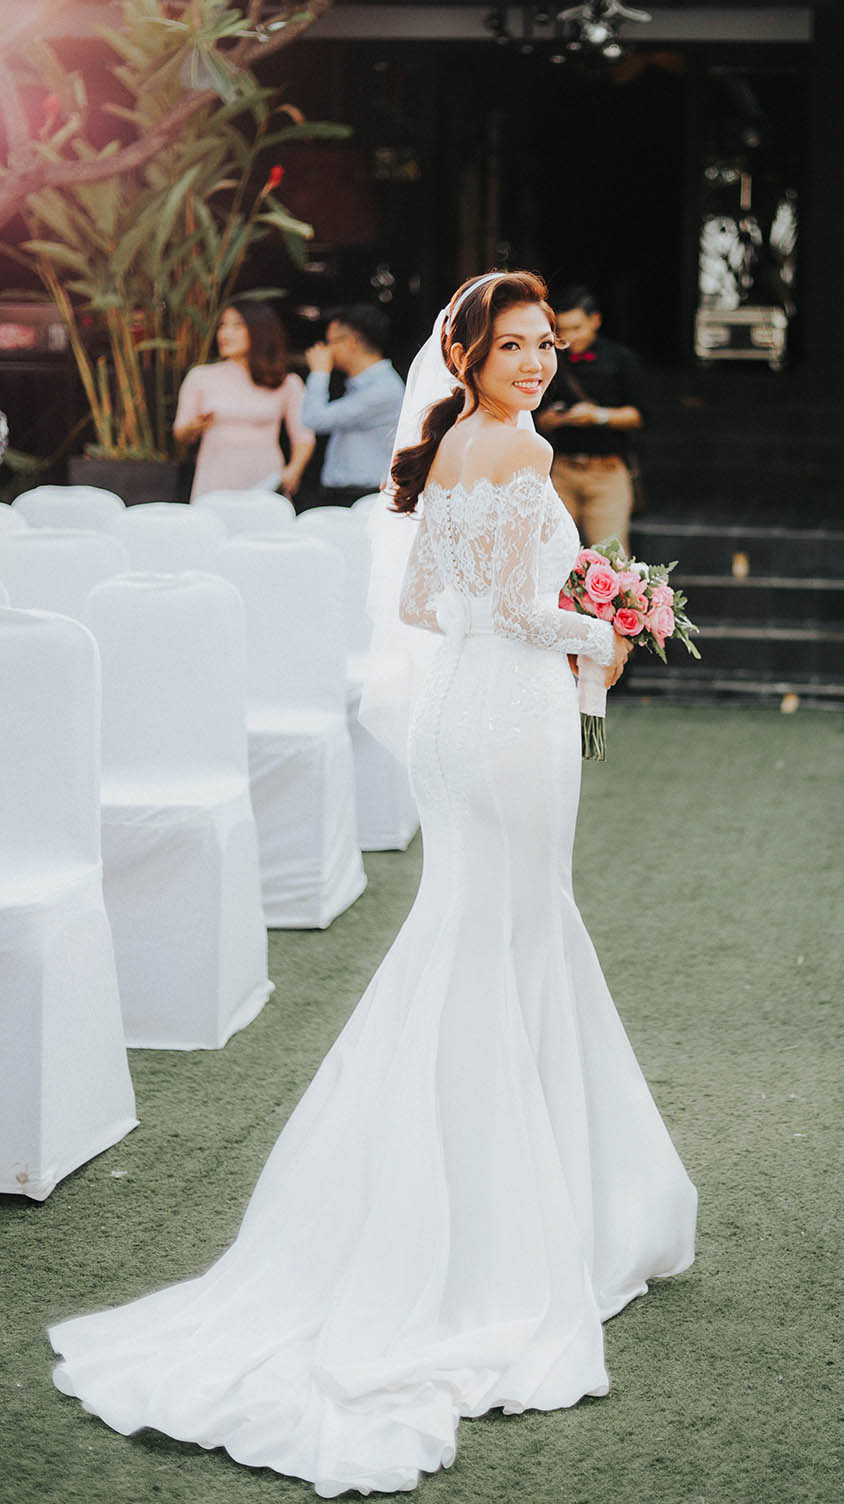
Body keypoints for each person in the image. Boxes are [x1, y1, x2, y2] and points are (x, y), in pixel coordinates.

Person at [48, 271, 697, 1499]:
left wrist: (578, 610)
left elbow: (420, 602)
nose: (536, 363)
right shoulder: (516, 447)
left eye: (544, 346)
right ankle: (504, 1228)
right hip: (507, 721)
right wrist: (606, 624)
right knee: (511, 933)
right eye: (513, 347)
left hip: (458, 718)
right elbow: (510, 606)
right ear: (467, 356)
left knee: (488, 931)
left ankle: (508, 1191)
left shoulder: (447, 447)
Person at [537, 285, 645, 553]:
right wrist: (558, 419)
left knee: (612, 558)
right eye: (563, 331)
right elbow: (535, 420)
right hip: (561, 471)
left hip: (607, 473)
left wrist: (598, 416)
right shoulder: (548, 360)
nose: (570, 338)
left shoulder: (620, 359)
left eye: (577, 328)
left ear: (595, 320)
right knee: (550, 554)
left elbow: (640, 415)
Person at [173, 299, 314, 500]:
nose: (225, 333)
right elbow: (180, 433)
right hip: (215, 479)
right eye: (222, 325)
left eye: (237, 326)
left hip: (266, 481)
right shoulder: (200, 376)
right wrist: (194, 426)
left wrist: (293, 471)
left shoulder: (288, 382)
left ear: (260, 331)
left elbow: (303, 437)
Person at [301, 303, 405, 509]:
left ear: (352, 342)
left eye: (330, 341)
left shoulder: (384, 389)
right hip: (346, 493)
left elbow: (314, 419)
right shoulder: (361, 384)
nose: (326, 349)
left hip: (364, 495)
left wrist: (319, 372)